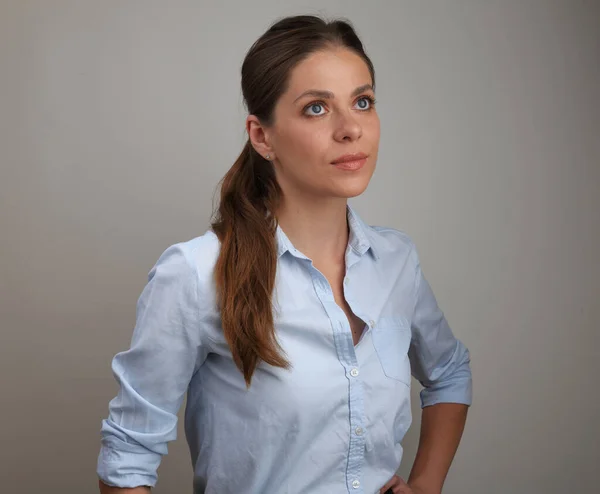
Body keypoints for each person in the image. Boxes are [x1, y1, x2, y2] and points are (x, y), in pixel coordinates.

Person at [97, 15, 472, 494]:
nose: (350, 128)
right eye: (316, 108)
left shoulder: (396, 260)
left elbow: (449, 371)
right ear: (262, 137)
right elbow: (126, 461)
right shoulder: (196, 274)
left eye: (363, 102)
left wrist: (426, 484)